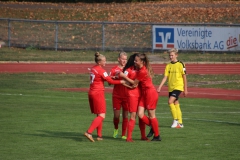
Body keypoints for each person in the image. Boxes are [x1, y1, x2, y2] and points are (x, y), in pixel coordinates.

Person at [84, 52, 126, 142]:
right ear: (99, 62)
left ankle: (99, 135)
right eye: (104, 61)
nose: (105, 63)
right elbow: (109, 81)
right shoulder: (101, 70)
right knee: (102, 115)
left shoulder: (93, 68)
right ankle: (89, 132)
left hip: (91, 92)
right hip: (98, 93)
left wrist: (111, 77)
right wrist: (121, 82)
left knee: (99, 114)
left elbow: (104, 77)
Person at [120, 53, 161, 141]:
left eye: (136, 61)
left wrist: (124, 77)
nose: (134, 62)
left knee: (151, 115)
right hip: (144, 94)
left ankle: (157, 136)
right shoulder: (142, 66)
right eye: (134, 60)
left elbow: (134, 83)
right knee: (140, 114)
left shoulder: (142, 71)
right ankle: (153, 127)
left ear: (142, 61)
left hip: (150, 93)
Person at [157, 48, 188, 129]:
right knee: (176, 103)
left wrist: (185, 89)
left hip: (178, 86)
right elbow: (165, 77)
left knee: (170, 101)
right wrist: (159, 87)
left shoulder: (181, 64)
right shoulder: (168, 66)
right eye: (170, 55)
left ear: (176, 55)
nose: (171, 57)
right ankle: (180, 123)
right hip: (171, 88)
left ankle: (175, 120)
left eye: (172, 55)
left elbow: (184, 77)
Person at [109, 52, 128, 140]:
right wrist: (113, 79)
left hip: (127, 95)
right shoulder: (114, 69)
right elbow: (109, 82)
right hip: (117, 95)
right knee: (116, 116)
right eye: (123, 59)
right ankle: (116, 129)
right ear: (118, 59)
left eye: (125, 59)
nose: (124, 61)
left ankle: (123, 134)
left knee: (125, 115)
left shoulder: (129, 69)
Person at [121, 53, 141, 142]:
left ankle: (144, 134)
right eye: (136, 60)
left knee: (140, 115)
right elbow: (122, 81)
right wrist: (130, 87)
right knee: (133, 115)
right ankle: (129, 137)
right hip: (132, 95)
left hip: (140, 94)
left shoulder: (141, 69)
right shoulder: (128, 70)